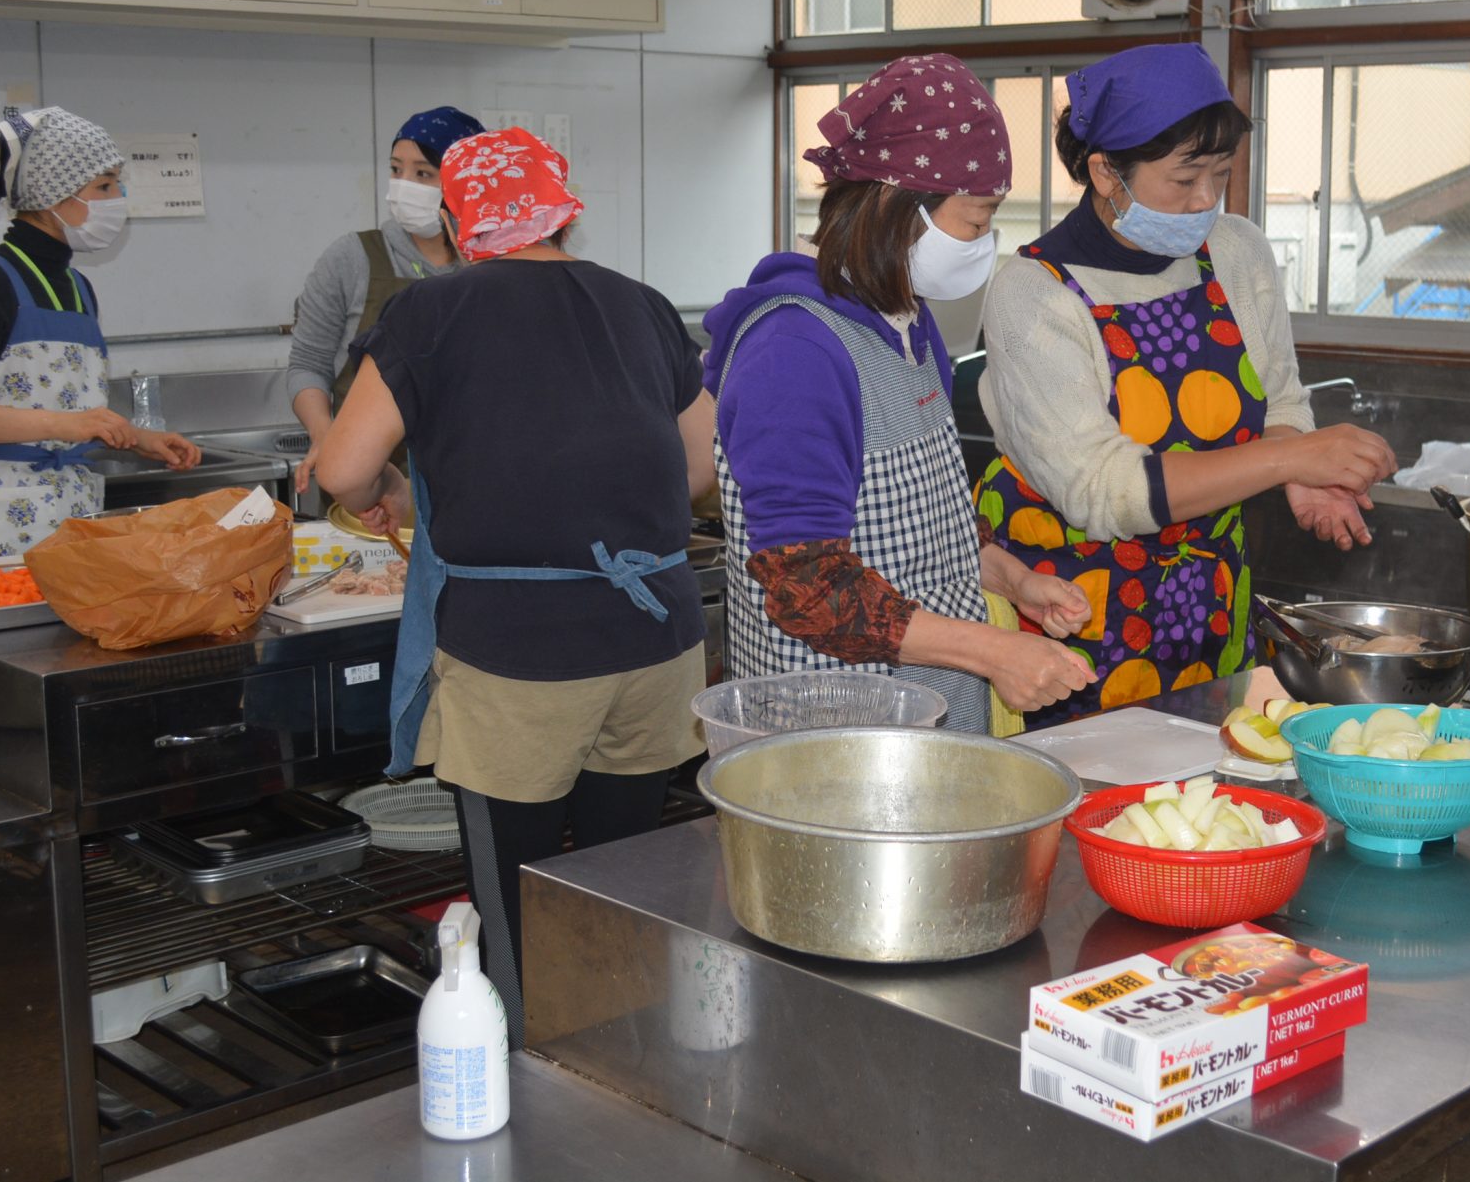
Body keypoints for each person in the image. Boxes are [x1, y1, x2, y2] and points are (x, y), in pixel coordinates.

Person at [313, 127, 711, 1041]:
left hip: (519, 655)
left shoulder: (432, 312)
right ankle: (626, 1061)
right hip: (657, 643)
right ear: (563, 210)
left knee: (518, 900)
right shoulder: (642, 304)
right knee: (622, 881)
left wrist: (390, 493)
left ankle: (533, 1093)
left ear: (457, 222)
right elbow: (699, 462)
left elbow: (341, 469)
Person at [974, 44, 1396, 722]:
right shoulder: (1032, 294)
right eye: (1183, 179)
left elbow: (1279, 397)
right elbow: (1102, 491)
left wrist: (1300, 468)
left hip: (1209, 606)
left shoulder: (1236, 249)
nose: (1205, 200)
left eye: (1220, 175)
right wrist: (1288, 457)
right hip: (1068, 621)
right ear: (1106, 170)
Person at [704, 54, 1098, 734]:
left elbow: (921, 528)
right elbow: (810, 588)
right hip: (831, 739)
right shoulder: (795, 352)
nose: (984, 243)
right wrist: (996, 650)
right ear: (897, 205)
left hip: (928, 717)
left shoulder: (908, 328)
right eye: (976, 222)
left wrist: (1011, 580)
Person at [0, 107, 200, 562]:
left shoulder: (78, 289)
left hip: (72, 516)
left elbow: (69, 407)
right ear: (53, 195)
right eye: (103, 186)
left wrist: (138, 438)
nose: (117, 197)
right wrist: (63, 426)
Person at [287, 105, 484, 493]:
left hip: (469, 486)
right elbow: (307, 365)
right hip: (367, 488)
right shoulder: (352, 257)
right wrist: (325, 436)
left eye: (423, 173)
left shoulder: (488, 270)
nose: (403, 184)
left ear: (465, 184)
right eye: (396, 170)